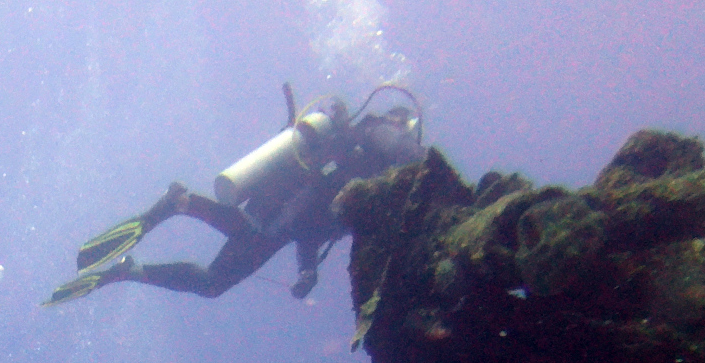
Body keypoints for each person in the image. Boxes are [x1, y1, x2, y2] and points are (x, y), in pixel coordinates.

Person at [46, 87, 423, 305]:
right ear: (403, 122)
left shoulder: (359, 159)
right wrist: (427, 174)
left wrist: (307, 268)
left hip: (276, 224)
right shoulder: (379, 135)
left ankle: (135, 264)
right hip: (275, 223)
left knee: (213, 283)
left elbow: (314, 230)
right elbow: (409, 157)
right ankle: (181, 205)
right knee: (235, 255)